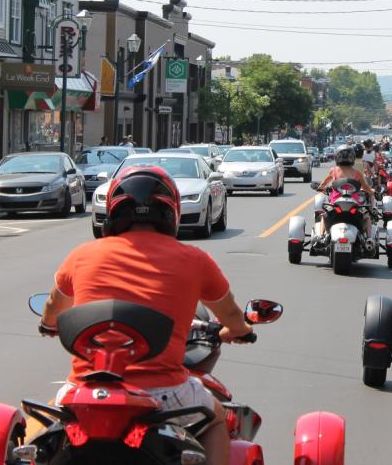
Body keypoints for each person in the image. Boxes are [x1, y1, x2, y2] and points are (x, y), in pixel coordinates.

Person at [38, 166, 253, 465]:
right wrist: (240, 330)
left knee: (50, 424)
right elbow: (230, 313)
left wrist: (48, 325)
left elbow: (52, 306)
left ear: (113, 212)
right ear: (171, 212)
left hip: (88, 390)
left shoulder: (83, 254)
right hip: (162, 391)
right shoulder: (195, 259)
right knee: (217, 418)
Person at [316, 145, 375, 243]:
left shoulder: (333, 171)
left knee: (325, 215)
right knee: (367, 217)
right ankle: (369, 238)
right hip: (353, 205)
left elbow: (323, 185)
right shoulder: (357, 173)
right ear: (352, 157)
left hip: (336, 203)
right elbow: (366, 188)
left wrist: (320, 188)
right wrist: (373, 192)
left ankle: (321, 237)